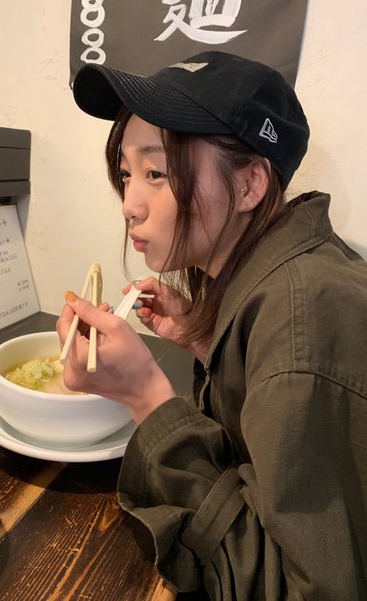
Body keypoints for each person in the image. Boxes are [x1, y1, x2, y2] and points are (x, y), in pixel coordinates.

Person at [56, 50, 367, 600]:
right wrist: (206, 342)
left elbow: (298, 587)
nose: (129, 204)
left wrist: (146, 396)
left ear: (249, 185)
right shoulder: (276, 282)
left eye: (156, 173)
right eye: (126, 174)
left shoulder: (305, 320)